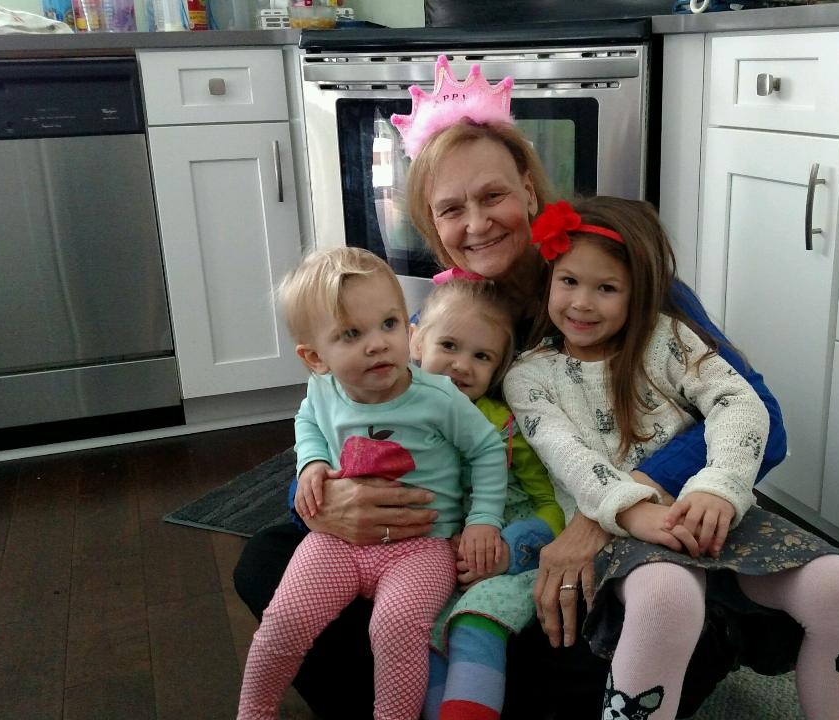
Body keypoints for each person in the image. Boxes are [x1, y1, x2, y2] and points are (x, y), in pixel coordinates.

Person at [232, 56, 789, 718]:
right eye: (451, 209)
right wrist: (322, 501)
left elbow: (766, 421)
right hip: (471, 540)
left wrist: (603, 514)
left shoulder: (618, 280)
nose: (476, 224)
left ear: (528, 190)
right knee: (269, 559)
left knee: (624, 629)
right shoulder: (442, 319)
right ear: (432, 225)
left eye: (492, 196)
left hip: (614, 528)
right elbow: (353, 419)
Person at [504, 195, 839, 720]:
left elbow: (740, 402)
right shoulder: (528, 376)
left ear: (639, 292)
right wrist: (633, 511)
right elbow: (567, 456)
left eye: (606, 288)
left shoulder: (668, 338)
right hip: (617, 527)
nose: (582, 303)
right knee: (668, 599)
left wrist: (718, 486)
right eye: (569, 281)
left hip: (705, 509)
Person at [237, 247, 509, 720]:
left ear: (410, 331)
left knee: (397, 627)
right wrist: (311, 464)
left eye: (389, 324)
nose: (378, 344)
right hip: (338, 541)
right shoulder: (322, 390)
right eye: (352, 334)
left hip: (423, 545)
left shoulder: (438, 397)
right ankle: (255, 710)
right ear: (314, 358)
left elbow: (488, 449)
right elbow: (308, 423)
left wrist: (483, 520)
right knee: (287, 617)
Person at [410, 277, 566, 720]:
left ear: (498, 369)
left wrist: (510, 550)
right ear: (416, 342)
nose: (462, 365)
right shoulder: (396, 417)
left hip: (511, 559)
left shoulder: (505, 426)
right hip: (438, 556)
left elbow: (554, 506)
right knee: (424, 632)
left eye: (482, 356)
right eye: (449, 345)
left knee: (474, 625)